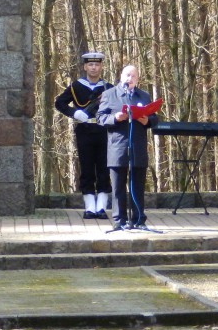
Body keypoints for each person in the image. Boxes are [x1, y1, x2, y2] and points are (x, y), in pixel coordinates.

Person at [96, 65, 158, 230]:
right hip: (118, 147)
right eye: (127, 75)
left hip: (137, 146)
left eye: (133, 76)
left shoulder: (143, 95)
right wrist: (115, 118)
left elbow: (154, 118)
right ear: (121, 76)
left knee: (137, 186)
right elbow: (100, 118)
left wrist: (148, 121)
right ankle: (119, 220)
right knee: (118, 187)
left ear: (137, 79)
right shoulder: (110, 94)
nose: (130, 79)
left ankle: (138, 219)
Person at [54, 52, 113, 218]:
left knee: (104, 168)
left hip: (103, 131)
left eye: (97, 64)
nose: (94, 68)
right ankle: (89, 206)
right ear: (85, 67)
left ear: (101, 67)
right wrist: (74, 113)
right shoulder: (76, 86)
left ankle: (101, 207)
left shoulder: (109, 88)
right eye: (90, 65)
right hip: (85, 131)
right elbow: (59, 103)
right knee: (87, 168)